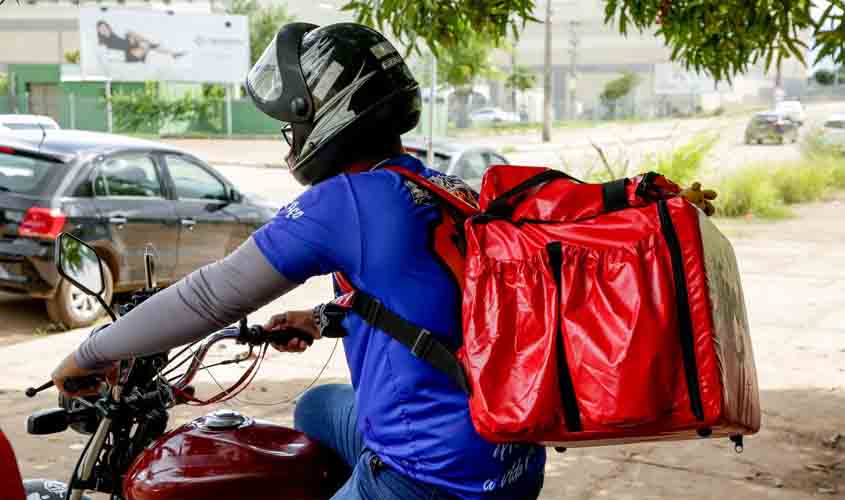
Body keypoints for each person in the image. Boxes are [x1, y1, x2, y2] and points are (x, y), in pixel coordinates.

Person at [53, 22, 717, 500]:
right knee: (315, 407)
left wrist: (90, 352)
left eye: (295, 118)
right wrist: (325, 315)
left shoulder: (347, 201)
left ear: (330, 112)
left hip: (434, 480)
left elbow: (210, 297)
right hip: (511, 450)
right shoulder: (431, 184)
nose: (291, 135)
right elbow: (441, 297)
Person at [96, 20, 186, 63]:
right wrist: (130, 42)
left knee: (130, 33)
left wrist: (130, 40)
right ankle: (171, 53)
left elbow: (123, 41)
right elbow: (120, 48)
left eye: (105, 27)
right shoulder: (105, 42)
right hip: (128, 54)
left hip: (130, 48)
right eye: (101, 29)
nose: (104, 29)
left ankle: (172, 53)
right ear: (99, 31)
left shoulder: (113, 34)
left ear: (108, 27)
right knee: (146, 45)